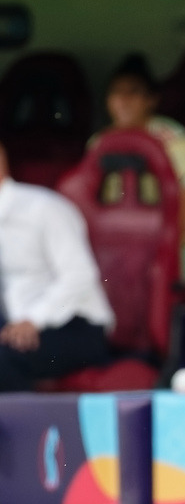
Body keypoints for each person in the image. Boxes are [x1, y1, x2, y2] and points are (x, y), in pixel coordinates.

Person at [97, 53, 185, 284]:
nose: (123, 100)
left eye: (133, 92)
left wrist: (165, 252)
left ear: (151, 100)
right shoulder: (100, 143)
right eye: (116, 92)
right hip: (121, 240)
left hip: (181, 240)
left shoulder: (174, 140)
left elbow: (184, 202)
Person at [0, 142, 115, 391]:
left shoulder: (44, 208)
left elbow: (80, 274)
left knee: (4, 360)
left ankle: (20, 429)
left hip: (75, 326)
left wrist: (34, 319)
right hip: (13, 322)